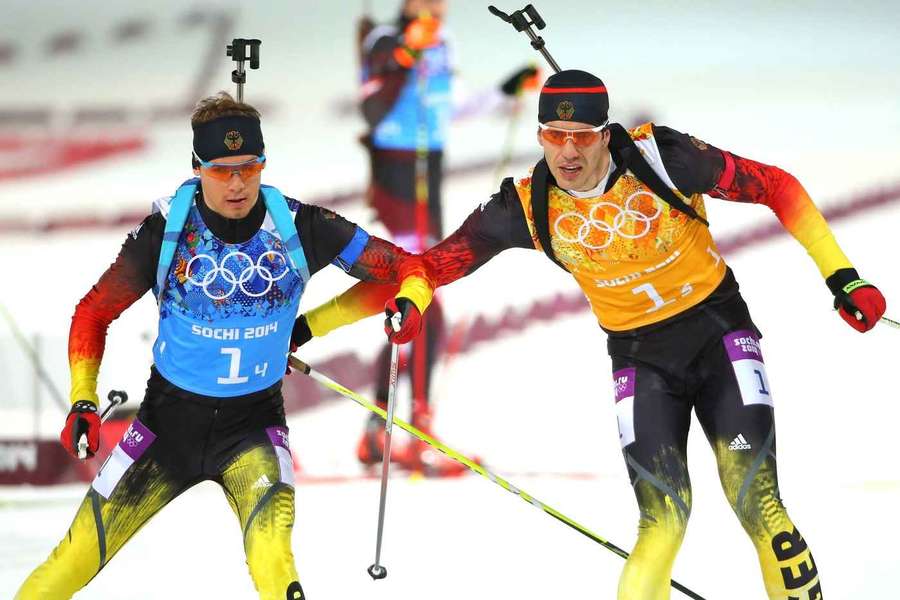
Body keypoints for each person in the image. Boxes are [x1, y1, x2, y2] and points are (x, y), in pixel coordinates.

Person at [296, 69, 887, 599]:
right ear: (539, 137)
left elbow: (776, 186)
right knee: (661, 525)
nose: (568, 150)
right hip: (640, 360)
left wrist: (843, 275)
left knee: (756, 501)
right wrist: (308, 325)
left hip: (719, 336)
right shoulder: (525, 207)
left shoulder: (665, 160)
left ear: (607, 134)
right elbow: (419, 269)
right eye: (554, 135)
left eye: (582, 135)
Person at [14, 92, 430, 600]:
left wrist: (318, 325)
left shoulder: (301, 226)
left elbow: (407, 271)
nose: (237, 183)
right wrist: (83, 399)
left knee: (274, 559)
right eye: (220, 170)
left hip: (252, 430)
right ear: (196, 167)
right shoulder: (165, 232)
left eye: (249, 168)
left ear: (263, 164)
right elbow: (94, 312)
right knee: (69, 563)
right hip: (165, 428)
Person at [347, 0, 536, 475]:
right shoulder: (382, 41)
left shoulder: (442, 44)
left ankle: (377, 428)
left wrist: (505, 90)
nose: (436, 7)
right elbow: (372, 110)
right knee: (423, 296)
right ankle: (418, 428)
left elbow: (454, 106)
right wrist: (406, 54)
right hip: (396, 178)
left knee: (408, 300)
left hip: (426, 176)